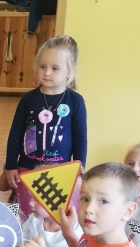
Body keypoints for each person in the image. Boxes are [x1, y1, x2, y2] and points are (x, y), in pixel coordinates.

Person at [5, 35, 87, 219]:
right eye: (43, 67)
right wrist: (11, 165)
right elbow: (15, 134)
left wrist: (78, 171)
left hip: (60, 172)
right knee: (29, 212)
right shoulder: (28, 99)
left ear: (69, 71)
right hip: (27, 169)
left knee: (55, 215)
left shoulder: (75, 101)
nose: (47, 73)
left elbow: (80, 138)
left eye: (54, 68)